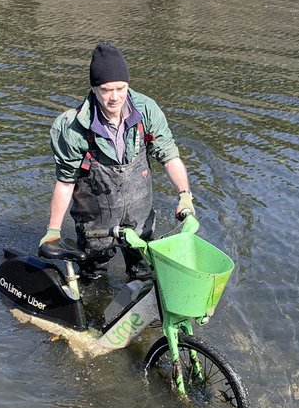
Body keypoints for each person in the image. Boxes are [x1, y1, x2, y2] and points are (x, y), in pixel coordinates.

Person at [40, 42, 194, 283]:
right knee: (93, 277)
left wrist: (185, 195)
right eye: (106, 90)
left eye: (120, 88)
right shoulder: (71, 127)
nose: (115, 97)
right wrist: (53, 232)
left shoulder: (147, 111)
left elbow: (169, 156)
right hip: (96, 222)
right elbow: (65, 182)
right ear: (93, 89)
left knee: (144, 276)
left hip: (139, 216)